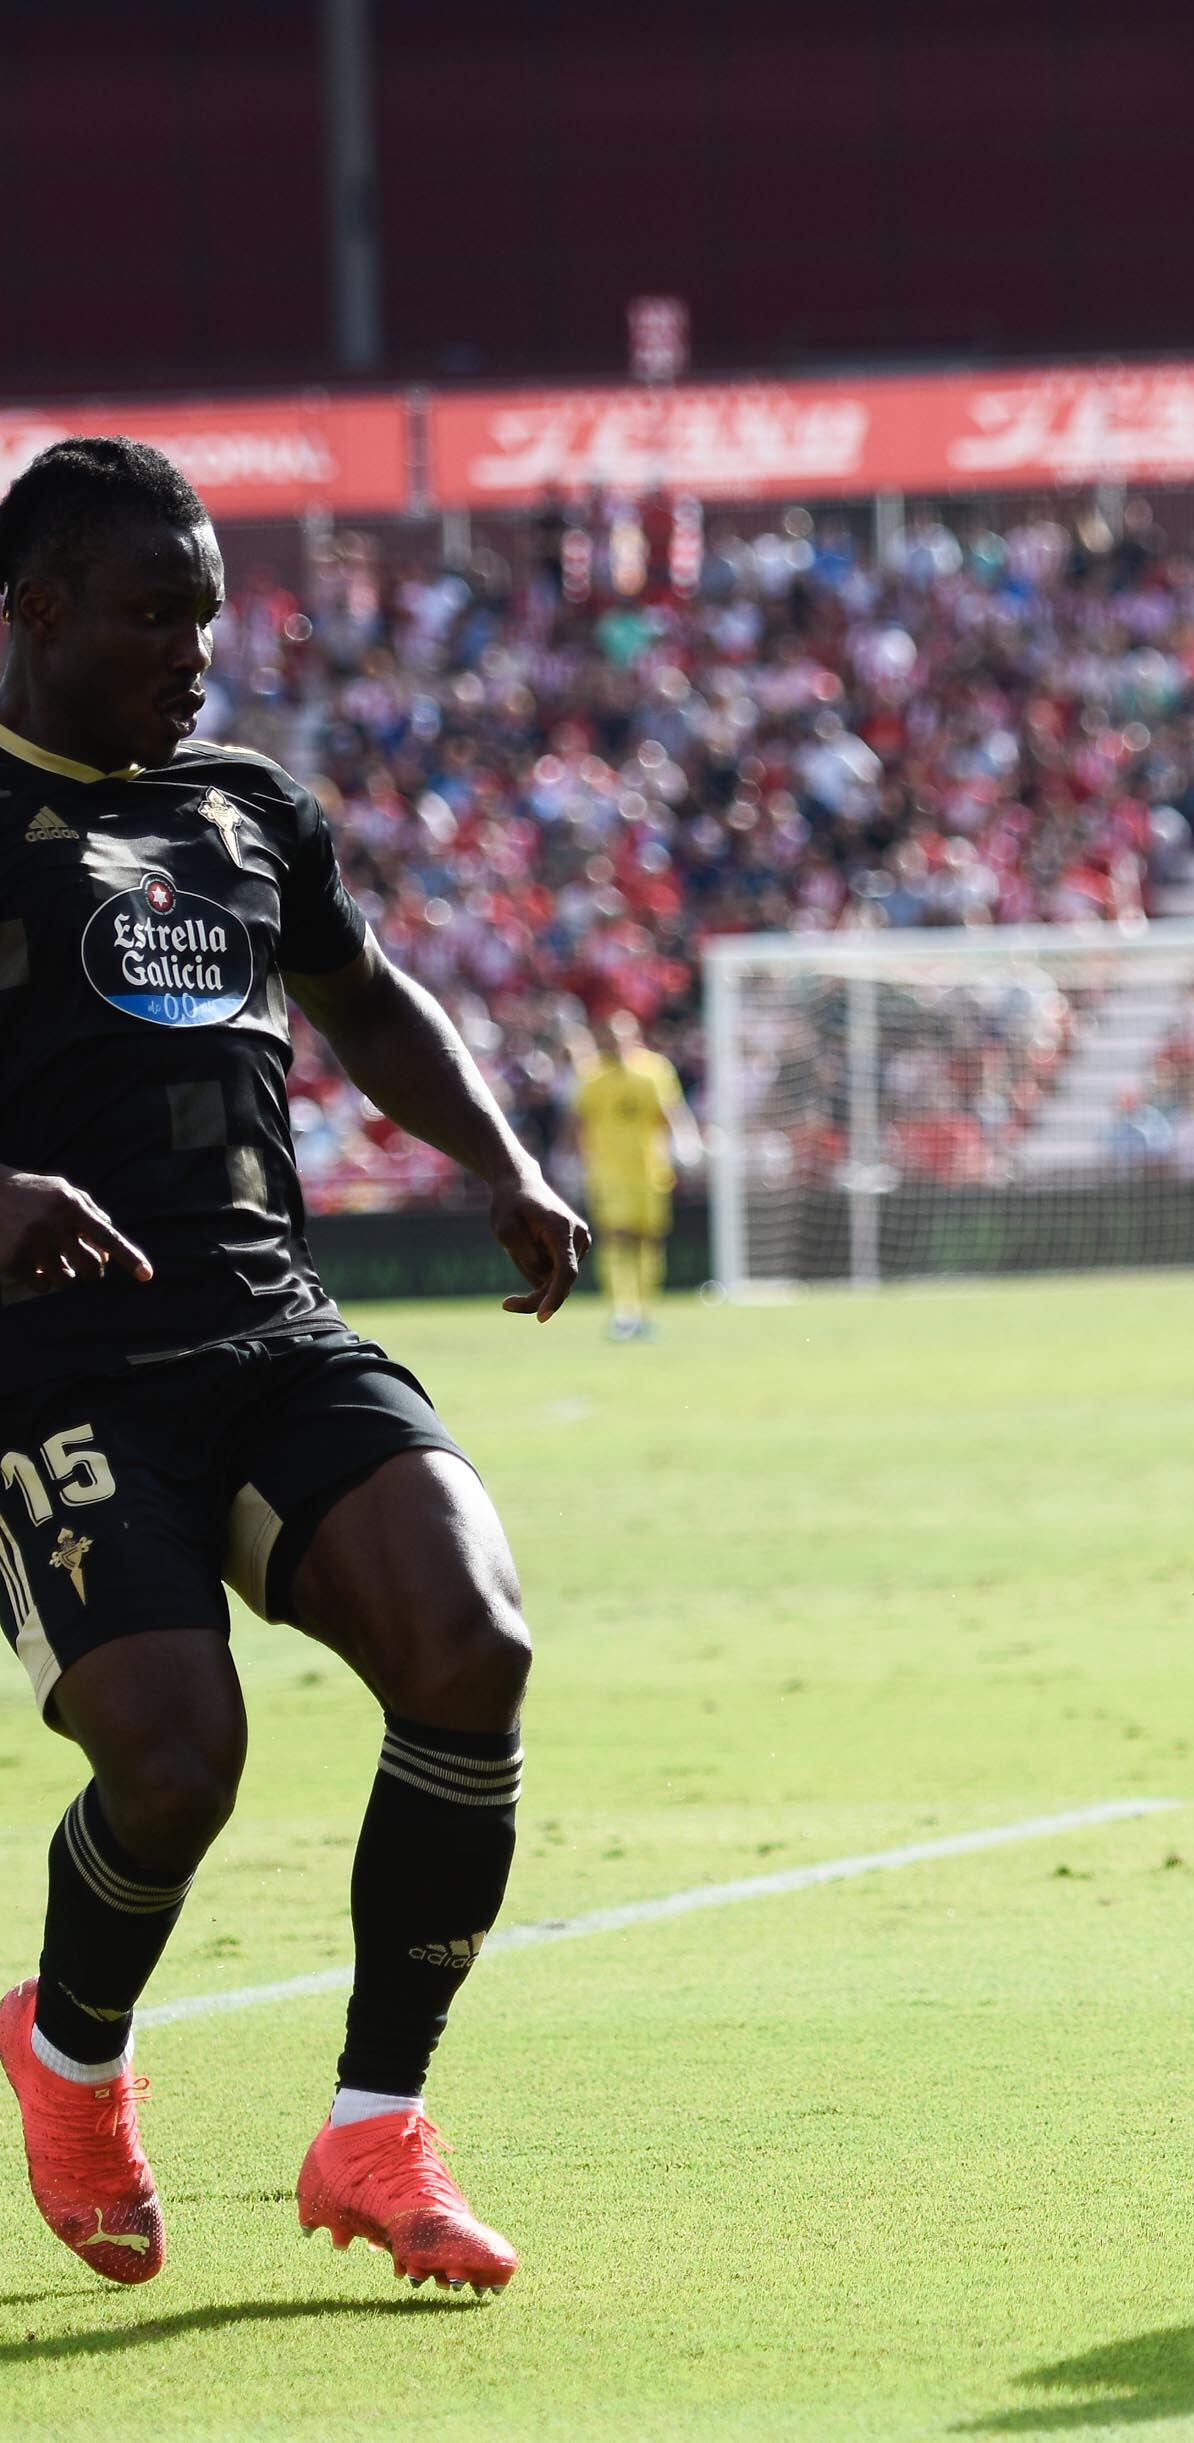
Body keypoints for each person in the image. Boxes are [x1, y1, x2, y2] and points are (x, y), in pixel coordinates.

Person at [0, 439, 587, 2293]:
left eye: (205, 613)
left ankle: (376, 2127)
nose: (193, 650)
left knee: (473, 1640)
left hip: (271, 1329)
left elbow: (366, 999)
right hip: (53, 1373)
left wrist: (501, 1157)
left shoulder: (251, 805)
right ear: (34, 612)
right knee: (179, 1760)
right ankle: (67, 2054)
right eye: (149, 614)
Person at [570, 1006, 697, 1342]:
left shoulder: (655, 1070)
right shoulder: (591, 1076)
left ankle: (644, 1311)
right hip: (608, 1173)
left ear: (633, 1035)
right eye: (609, 1037)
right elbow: (579, 1122)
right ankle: (622, 1311)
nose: (615, 1043)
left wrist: (685, 1141)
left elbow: (670, 1111)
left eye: (620, 1036)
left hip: (650, 1171)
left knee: (648, 1240)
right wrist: (573, 1160)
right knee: (617, 1237)